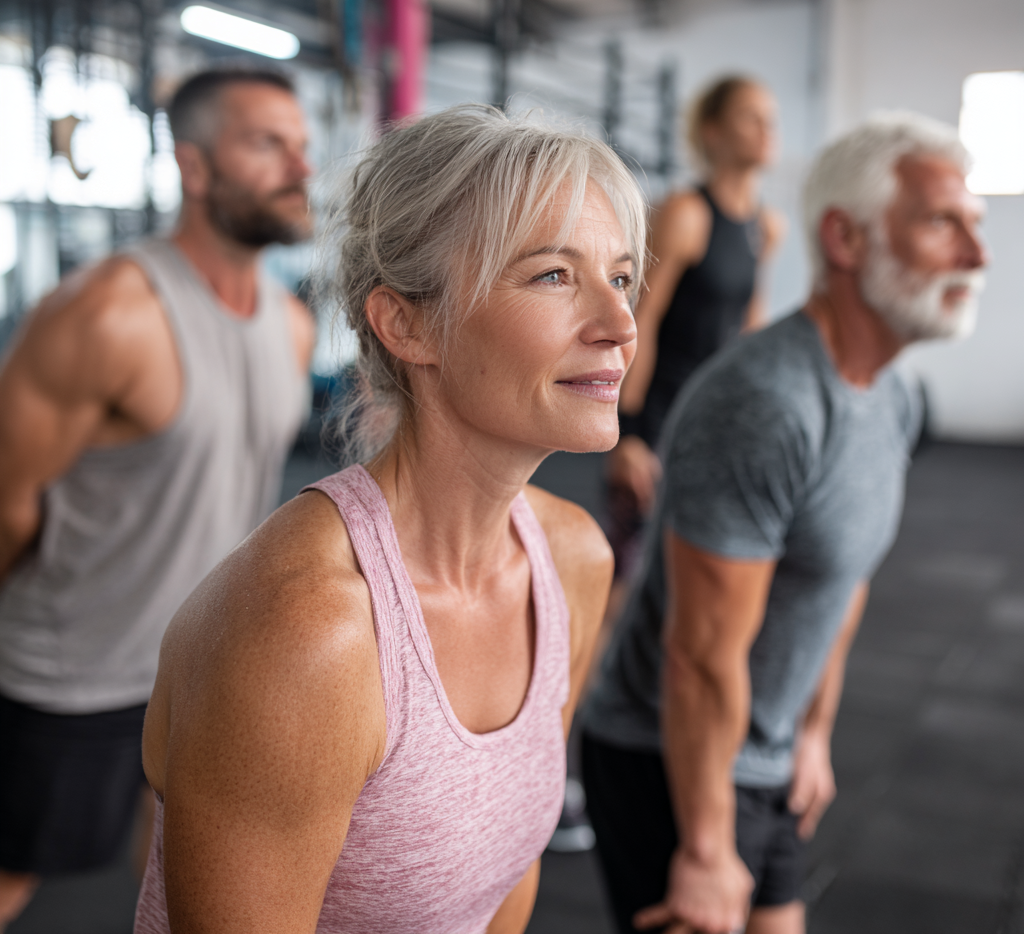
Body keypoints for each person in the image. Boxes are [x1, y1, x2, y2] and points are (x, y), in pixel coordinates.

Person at [132, 104, 646, 934]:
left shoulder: (571, 559)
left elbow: (501, 886)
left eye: (620, 277)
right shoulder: (308, 632)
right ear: (407, 323)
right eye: (554, 275)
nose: (620, 326)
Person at [581, 112, 987, 934]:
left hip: (764, 753)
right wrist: (703, 847)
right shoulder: (766, 404)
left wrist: (814, 731)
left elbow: (841, 579)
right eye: (943, 224)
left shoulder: (895, 398)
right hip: (672, 761)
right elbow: (697, 658)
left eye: (974, 227)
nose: (977, 258)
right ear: (846, 238)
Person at [0, 68, 316, 927]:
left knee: (185, 884)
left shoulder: (288, 323)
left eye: (302, 145)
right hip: (76, 672)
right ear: (197, 167)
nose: (299, 166)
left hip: (205, 660)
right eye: (267, 144)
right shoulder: (107, 313)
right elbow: (6, 500)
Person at [607, 76, 785, 568]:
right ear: (713, 132)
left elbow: (751, 325)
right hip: (665, 414)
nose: (767, 130)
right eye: (751, 117)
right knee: (631, 575)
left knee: (695, 573)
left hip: (717, 416)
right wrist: (628, 433)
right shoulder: (687, 214)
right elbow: (641, 318)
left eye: (771, 119)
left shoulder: (767, 225)